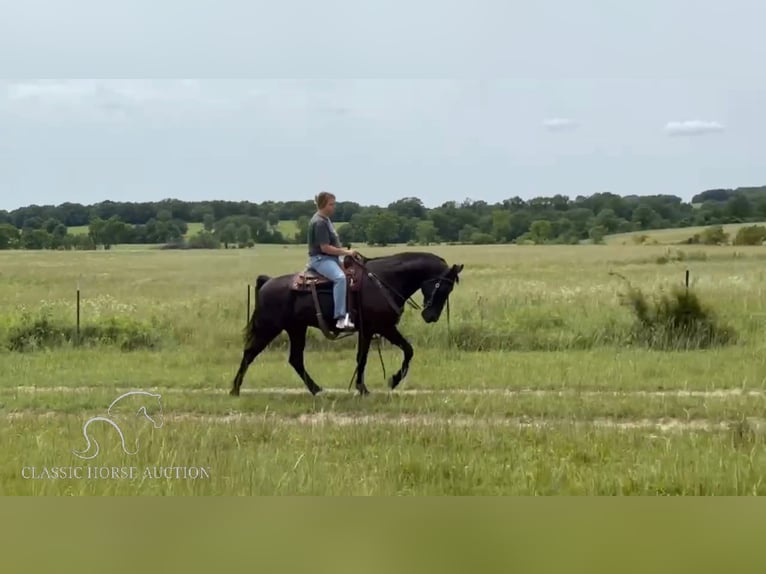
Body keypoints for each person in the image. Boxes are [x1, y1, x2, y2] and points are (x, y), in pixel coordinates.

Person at [306, 191, 358, 330]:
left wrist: (341, 260)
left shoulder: (326, 220)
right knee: (340, 278)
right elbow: (325, 248)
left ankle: (351, 314)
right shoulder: (319, 222)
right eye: (331, 204)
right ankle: (340, 318)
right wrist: (347, 252)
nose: (333, 207)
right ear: (323, 204)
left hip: (331, 259)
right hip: (320, 259)